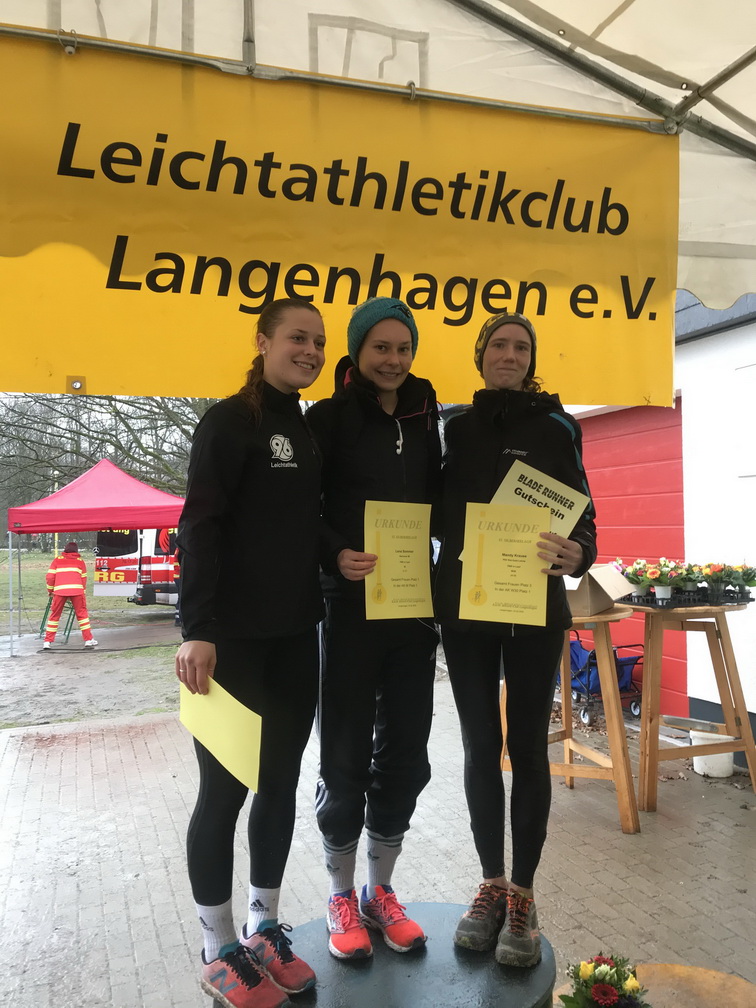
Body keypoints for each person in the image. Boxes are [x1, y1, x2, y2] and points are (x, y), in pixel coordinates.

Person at [175, 297, 326, 1008]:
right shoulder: (228, 422)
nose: (310, 350)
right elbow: (199, 525)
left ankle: (263, 928)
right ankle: (217, 947)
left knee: (280, 785)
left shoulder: (307, 430)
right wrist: (196, 627)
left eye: (318, 341)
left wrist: (339, 554)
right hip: (230, 644)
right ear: (263, 342)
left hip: (296, 638)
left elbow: (302, 526)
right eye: (298, 337)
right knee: (224, 793)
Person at [434, 312, 597, 967]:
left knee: (527, 749)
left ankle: (524, 896)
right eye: (498, 345)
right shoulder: (455, 428)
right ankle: (490, 886)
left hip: (534, 609)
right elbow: (436, 514)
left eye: (521, 347)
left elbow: (586, 517)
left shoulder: (559, 427)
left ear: (531, 359)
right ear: (480, 356)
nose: (510, 354)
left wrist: (577, 552)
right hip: (468, 609)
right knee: (479, 747)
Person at [306, 297, 441, 960]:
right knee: (345, 757)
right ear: (357, 351)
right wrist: (335, 553)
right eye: (380, 347)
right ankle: (339, 894)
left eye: (403, 348)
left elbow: (442, 502)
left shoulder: (427, 416)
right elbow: (301, 507)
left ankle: (378, 891)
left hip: (412, 607)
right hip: (349, 606)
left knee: (408, 755)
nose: (393, 360)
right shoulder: (326, 418)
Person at [43, 541, 97, 648]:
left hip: (59, 591)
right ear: (76, 550)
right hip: (77, 591)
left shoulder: (57, 560)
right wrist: (82, 592)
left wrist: (50, 591)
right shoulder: (80, 561)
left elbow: (50, 577)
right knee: (82, 615)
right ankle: (88, 640)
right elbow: (83, 579)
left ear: (65, 549)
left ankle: (47, 642)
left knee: (54, 616)